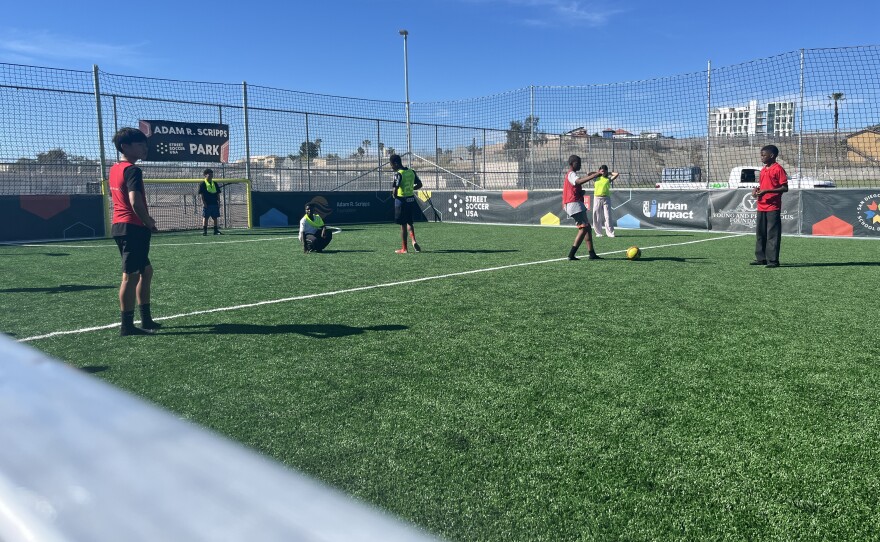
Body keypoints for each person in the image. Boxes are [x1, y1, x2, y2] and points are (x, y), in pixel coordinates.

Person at [109, 127, 160, 336]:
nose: (144, 148)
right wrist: (148, 221)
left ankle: (146, 319)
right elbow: (134, 201)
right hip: (132, 227)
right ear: (125, 147)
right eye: (139, 144)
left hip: (122, 226)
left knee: (145, 271)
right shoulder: (132, 170)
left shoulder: (114, 168)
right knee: (130, 276)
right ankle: (127, 326)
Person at [751, 145, 788, 268]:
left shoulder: (778, 169)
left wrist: (767, 191)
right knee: (760, 234)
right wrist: (756, 191)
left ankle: (773, 260)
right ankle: (761, 258)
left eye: (763, 155)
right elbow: (762, 186)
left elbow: (785, 188)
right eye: (761, 155)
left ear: (772, 156)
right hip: (761, 206)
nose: (761, 157)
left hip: (773, 206)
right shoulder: (763, 170)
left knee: (772, 234)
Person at [562, 155, 601, 260]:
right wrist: (595, 175)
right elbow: (578, 181)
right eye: (577, 163)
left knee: (587, 228)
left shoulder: (572, 174)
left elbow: (574, 187)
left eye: (580, 162)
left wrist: (580, 192)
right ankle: (571, 254)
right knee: (583, 228)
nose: (580, 164)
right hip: (573, 204)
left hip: (576, 203)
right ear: (572, 164)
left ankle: (592, 253)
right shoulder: (571, 174)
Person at [389, 154, 423, 254]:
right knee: (410, 222)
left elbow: (395, 191)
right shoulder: (411, 171)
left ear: (395, 163)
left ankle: (404, 248)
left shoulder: (398, 174)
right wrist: (411, 189)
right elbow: (420, 184)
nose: (391, 167)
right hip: (411, 200)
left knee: (403, 225)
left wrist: (394, 196)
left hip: (401, 201)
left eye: (391, 165)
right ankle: (414, 240)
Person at [591, 165, 619, 238]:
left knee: (608, 216)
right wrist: (598, 172)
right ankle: (598, 232)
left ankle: (610, 233)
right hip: (597, 198)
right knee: (596, 216)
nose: (603, 171)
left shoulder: (608, 179)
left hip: (606, 199)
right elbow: (589, 173)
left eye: (604, 170)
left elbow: (616, 174)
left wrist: (608, 173)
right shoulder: (596, 178)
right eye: (601, 169)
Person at [198, 168, 223, 235]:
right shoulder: (202, 184)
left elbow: (218, 193)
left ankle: (215, 230)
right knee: (205, 217)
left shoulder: (215, 183)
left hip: (214, 203)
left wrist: (219, 202)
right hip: (207, 203)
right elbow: (201, 195)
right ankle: (205, 231)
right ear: (205, 175)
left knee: (215, 217)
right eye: (209, 174)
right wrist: (204, 203)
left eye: (212, 174)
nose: (211, 175)